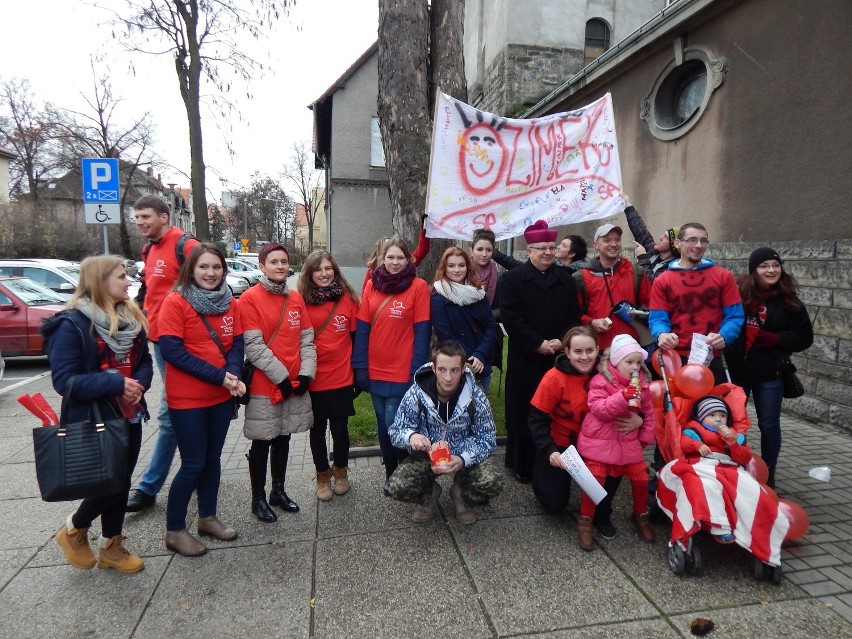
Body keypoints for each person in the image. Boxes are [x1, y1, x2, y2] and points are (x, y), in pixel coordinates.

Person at [42, 255, 153, 573]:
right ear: (100, 281)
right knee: (111, 484)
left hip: (129, 413)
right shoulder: (71, 325)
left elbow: (144, 360)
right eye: (121, 276)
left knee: (120, 480)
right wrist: (116, 382)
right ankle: (74, 529)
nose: (129, 281)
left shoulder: (130, 317)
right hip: (96, 417)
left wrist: (139, 385)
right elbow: (65, 381)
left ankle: (111, 547)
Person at [158, 243, 245, 557]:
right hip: (188, 400)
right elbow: (173, 352)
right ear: (191, 270)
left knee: (212, 459)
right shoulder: (175, 303)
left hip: (220, 397)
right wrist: (221, 377)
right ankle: (175, 529)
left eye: (217, 267)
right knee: (193, 463)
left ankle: (207, 517)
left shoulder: (230, 303)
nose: (211, 273)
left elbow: (236, 345)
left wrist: (233, 374)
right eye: (204, 267)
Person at [528, 327, 639, 539]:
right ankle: (542, 475)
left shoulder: (611, 375)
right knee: (554, 505)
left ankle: (602, 513)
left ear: (598, 350)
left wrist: (639, 419)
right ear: (567, 352)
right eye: (578, 351)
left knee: (613, 462)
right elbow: (536, 420)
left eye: (590, 350)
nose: (585, 356)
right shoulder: (553, 378)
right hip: (563, 445)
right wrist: (550, 451)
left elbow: (634, 399)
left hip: (600, 444)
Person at [127, 195, 199, 512]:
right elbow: (149, 293)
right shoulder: (149, 249)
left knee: (170, 413)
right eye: (137, 217)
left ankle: (148, 487)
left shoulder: (185, 245)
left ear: (164, 216)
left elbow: (209, 283)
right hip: (156, 340)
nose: (140, 222)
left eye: (146, 216)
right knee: (176, 411)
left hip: (181, 343)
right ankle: (196, 467)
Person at [498, 220, 583, 483]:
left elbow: (574, 316)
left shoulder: (566, 281)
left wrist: (562, 341)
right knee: (524, 408)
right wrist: (537, 343)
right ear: (529, 251)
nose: (548, 252)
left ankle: (552, 459)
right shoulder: (512, 279)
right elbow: (511, 317)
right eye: (541, 248)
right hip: (526, 356)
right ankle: (521, 464)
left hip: (557, 357)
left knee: (554, 408)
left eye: (551, 247)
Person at [385, 341, 503, 523]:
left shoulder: (475, 396)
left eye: (454, 370)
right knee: (396, 487)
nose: (448, 377)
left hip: (463, 452)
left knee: (493, 481)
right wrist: (411, 436)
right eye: (442, 369)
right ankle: (429, 496)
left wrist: (464, 458)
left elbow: (487, 438)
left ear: (463, 368)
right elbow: (396, 431)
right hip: (427, 454)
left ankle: (461, 496)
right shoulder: (416, 393)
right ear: (433, 368)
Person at [724, 247, 813, 487]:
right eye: (764, 266)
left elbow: (805, 337)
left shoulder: (790, 302)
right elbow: (724, 323)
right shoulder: (739, 295)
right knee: (733, 422)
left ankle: (768, 472)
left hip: (769, 373)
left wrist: (778, 339)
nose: (771, 270)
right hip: (737, 372)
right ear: (754, 270)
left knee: (769, 424)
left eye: (775, 265)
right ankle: (733, 465)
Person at [241, 243, 316, 519]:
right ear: (262, 266)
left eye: (284, 261)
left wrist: (306, 374)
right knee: (263, 441)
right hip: (265, 385)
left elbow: (307, 340)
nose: (280, 266)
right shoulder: (249, 299)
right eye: (274, 262)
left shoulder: (295, 298)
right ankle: (258, 498)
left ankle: (278, 490)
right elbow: (255, 347)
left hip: (292, 384)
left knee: (283, 438)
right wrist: (282, 377)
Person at [353, 237, 431, 479]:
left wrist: (416, 371)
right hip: (375, 368)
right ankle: (391, 470)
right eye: (390, 257)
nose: (395, 262)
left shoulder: (418, 287)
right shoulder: (371, 286)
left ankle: (406, 469)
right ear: (382, 259)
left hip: (403, 368)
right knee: (381, 422)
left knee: (393, 423)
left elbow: (422, 332)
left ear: (408, 259)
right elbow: (363, 328)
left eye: (400, 257)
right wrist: (360, 366)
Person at [577, 334, 656, 551]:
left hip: (628, 442)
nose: (634, 367)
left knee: (640, 477)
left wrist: (643, 439)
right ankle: (585, 520)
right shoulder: (601, 381)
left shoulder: (644, 386)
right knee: (596, 478)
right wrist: (623, 396)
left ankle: (640, 515)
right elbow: (600, 410)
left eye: (638, 362)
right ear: (615, 362)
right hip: (600, 440)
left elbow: (649, 414)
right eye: (629, 362)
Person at [649, 223, 744, 384]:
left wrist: (724, 335)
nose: (698, 245)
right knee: (677, 408)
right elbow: (657, 318)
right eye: (692, 240)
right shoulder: (662, 280)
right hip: (674, 357)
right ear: (678, 243)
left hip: (712, 357)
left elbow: (735, 316)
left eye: (703, 241)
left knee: (712, 407)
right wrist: (661, 334)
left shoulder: (724, 276)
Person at [297, 250, 359, 501]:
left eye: (328, 269)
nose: (324, 274)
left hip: (342, 375)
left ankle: (341, 472)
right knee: (317, 429)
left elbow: (356, 338)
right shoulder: (300, 300)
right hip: (314, 377)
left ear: (335, 271)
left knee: (340, 428)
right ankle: (322, 476)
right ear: (310, 273)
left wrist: (359, 372)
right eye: (318, 269)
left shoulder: (348, 299)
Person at [430, 247, 498, 392]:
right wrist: (472, 358)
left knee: (478, 409)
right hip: (456, 363)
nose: (457, 270)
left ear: (467, 266)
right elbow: (446, 336)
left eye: (461, 265)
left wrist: (480, 354)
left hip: (483, 358)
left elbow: (491, 325)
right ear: (444, 268)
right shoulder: (438, 298)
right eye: (451, 265)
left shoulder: (478, 292)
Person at [575, 223, 651, 351]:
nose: (614, 244)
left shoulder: (636, 272)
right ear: (596, 245)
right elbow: (574, 313)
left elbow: (650, 303)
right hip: (595, 348)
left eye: (617, 240)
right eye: (607, 240)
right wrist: (591, 322)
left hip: (630, 348)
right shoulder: (581, 276)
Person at [622, 198, 680, 282]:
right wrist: (628, 206)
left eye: (665, 237)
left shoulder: (673, 268)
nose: (660, 238)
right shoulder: (652, 252)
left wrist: (643, 259)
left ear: (674, 245)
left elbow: (653, 284)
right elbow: (640, 230)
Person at [493, 233, 589, 273]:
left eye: (563, 245)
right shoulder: (550, 267)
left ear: (572, 254)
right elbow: (519, 267)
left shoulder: (582, 275)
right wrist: (495, 254)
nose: (558, 247)